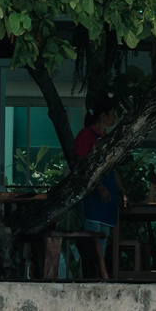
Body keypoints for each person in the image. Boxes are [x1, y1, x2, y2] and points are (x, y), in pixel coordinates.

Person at [53, 98, 121, 281]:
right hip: (92, 195)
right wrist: (97, 186)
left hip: (108, 196)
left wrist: (122, 191)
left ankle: (100, 276)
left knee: (104, 236)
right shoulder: (86, 135)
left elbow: (112, 169)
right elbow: (81, 165)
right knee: (92, 235)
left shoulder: (106, 139)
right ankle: (91, 275)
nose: (115, 117)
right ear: (103, 115)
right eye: (112, 114)